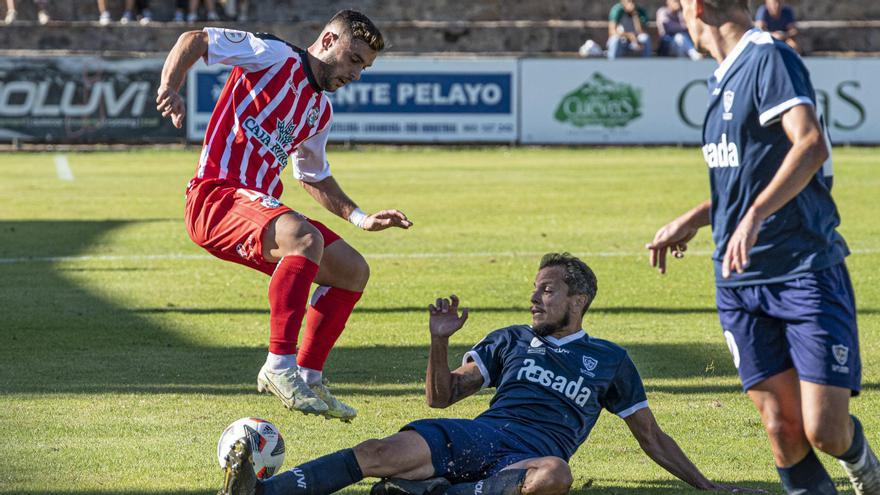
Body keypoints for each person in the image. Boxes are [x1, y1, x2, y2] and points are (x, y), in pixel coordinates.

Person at [218, 253, 755, 495]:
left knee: (555, 478)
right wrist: (439, 340)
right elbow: (441, 397)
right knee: (378, 453)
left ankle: (431, 491)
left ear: (579, 299)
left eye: (548, 289)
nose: (535, 297)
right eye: (535, 288)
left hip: (530, 456)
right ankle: (263, 493)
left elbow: (652, 437)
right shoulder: (510, 340)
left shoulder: (610, 360)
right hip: (474, 434)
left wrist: (707, 486)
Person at [646, 1, 880, 494]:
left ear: (700, 7)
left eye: (678, 6)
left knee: (825, 431)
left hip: (802, 267)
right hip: (737, 280)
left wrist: (754, 216)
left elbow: (809, 144)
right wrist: (697, 217)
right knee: (781, 429)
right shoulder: (720, 76)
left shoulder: (768, 57)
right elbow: (746, 180)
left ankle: (861, 461)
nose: (677, 16)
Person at [156, 10, 412, 421]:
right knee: (304, 239)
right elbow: (195, 38)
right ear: (328, 40)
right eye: (354, 60)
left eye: (363, 67)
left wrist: (362, 218)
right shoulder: (272, 55)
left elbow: (314, 176)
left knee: (351, 270)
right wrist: (170, 85)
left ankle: (309, 376)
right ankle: (279, 366)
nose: (357, 74)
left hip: (256, 207)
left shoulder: (319, 112)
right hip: (214, 198)